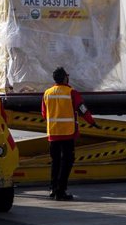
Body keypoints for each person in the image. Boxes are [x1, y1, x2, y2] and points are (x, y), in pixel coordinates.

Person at [42, 67, 100, 201]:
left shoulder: (47, 93)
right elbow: (82, 109)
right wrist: (92, 122)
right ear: (64, 78)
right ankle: (60, 191)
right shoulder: (71, 92)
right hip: (68, 133)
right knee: (67, 162)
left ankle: (53, 188)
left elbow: (44, 114)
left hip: (53, 133)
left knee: (55, 162)